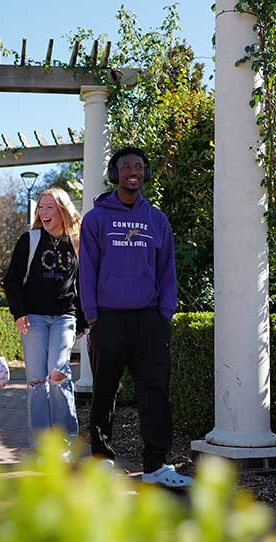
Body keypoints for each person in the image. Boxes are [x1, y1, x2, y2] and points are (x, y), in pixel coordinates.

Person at [78, 146, 192, 488]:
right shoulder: (96, 219)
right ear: (115, 175)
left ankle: (156, 466)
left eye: (139, 167)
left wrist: (165, 314)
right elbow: (87, 268)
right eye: (126, 166)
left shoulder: (157, 219)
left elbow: (166, 269)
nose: (134, 171)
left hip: (149, 321)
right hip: (108, 319)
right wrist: (92, 315)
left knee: (155, 392)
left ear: (145, 174)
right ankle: (102, 458)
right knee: (105, 392)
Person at [3, 188, 85, 449]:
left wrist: (82, 320)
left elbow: (84, 283)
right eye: (41, 207)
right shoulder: (30, 239)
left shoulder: (77, 241)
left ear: (63, 210)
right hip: (34, 318)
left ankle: (66, 443)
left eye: (50, 207)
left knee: (58, 373)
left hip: (64, 316)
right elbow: (12, 279)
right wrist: (19, 313)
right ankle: (42, 448)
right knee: (37, 381)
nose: (44, 212)